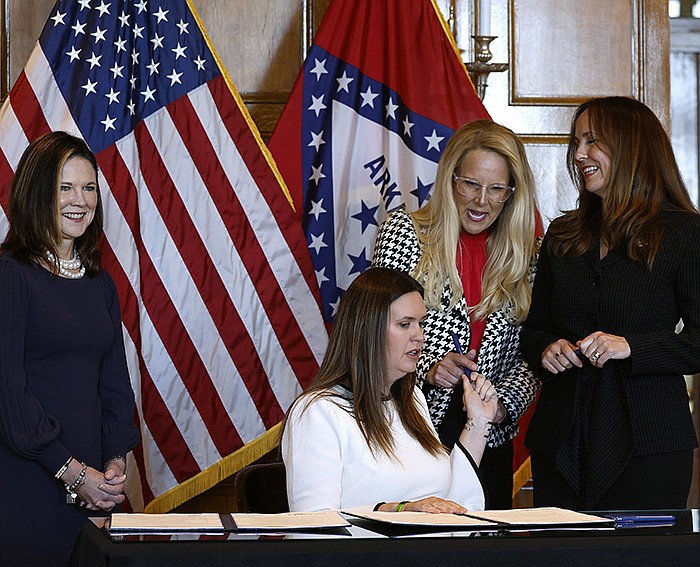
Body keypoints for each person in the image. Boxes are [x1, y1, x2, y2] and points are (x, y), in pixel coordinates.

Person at [521, 96, 700, 510]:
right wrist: (546, 349)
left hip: (650, 443)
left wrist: (632, 346)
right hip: (560, 440)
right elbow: (532, 331)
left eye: (592, 141)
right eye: (577, 142)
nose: (579, 154)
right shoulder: (562, 235)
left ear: (631, 147)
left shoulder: (685, 234)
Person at [372, 120, 541, 508]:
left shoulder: (529, 257)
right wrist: (429, 370)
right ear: (451, 180)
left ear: (512, 194)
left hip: (489, 439)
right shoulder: (405, 232)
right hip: (412, 431)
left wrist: (502, 407)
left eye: (497, 188)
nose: (482, 200)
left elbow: (533, 351)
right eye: (471, 184)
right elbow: (377, 332)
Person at [0, 132, 140, 566]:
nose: (79, 199)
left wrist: (114, 466)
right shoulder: (10, 277)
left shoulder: (101, 285)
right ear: (36, 192)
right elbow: (10, 400)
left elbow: (116, 388)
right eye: (64, 187)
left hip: (96, 494)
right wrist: (73, 473)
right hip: (28, 489)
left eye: (88, 186)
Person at [282, 267, 498, 512]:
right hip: (368, 552)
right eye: (405, 324)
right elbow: (314, 526)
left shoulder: (412, 398)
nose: (419, 335)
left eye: (421, 324)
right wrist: (398, 511)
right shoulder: (318, 411)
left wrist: (479, 422)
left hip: (426, 550)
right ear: (367, 330)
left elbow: (453, 509)